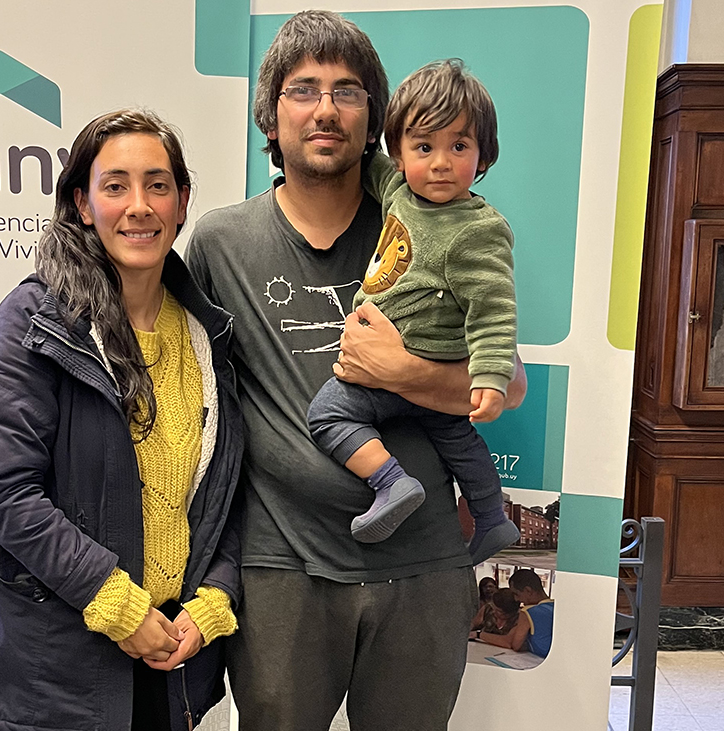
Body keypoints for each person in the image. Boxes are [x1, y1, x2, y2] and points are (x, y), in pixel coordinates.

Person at [185, 11, 525, 730]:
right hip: (283, 569)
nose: (326, 108)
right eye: (303, 89)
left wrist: (403, 370)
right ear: (271, 116)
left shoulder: (435, 216)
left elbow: (509, 384)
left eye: (348, 90)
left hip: (425, 565)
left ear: (375, 118)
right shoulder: (220, 241)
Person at [0, 109, 244, 731]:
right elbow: (6, 497)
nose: (138, 205)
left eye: (157, 185)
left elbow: (224, 498)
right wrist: (116, 604)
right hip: (55, 671)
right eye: (115, 186)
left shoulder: (207, 336)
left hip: (170, 665)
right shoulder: (35, 322)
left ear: (182, 202)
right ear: (84, 204)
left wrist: (214, 600)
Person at [307, 59, 519, 561]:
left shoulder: (477, 229)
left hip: (419, 366)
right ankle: (491, 518)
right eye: (424, 147)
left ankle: (391, 482)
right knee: (457, 439)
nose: (441, 162)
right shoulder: (399, 191)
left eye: (459, 147)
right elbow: (367, 158)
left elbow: (494, 310)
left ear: (483, 155)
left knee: (327, 413)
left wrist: (489, 377)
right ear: (399, 154)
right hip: (404, 373)